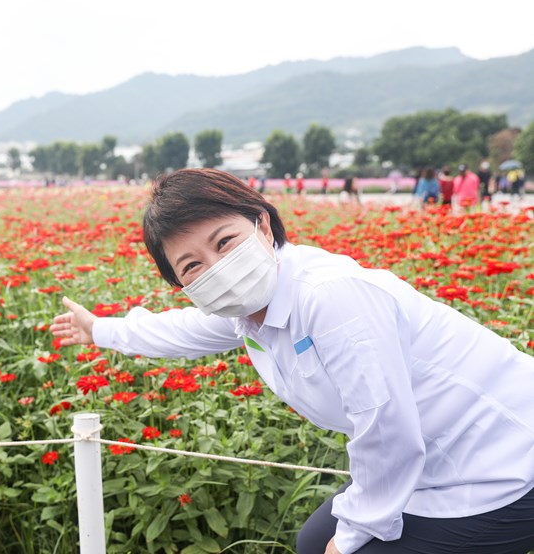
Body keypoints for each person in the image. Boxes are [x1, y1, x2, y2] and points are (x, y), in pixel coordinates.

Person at [50, 168, 534, 554]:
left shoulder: (328, 295)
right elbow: (182, 329)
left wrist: (349, 540)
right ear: (182, 284)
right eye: (192, 265)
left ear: (262, 224)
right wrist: (100, 330)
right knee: (310, 540)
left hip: (503, 462)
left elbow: (387, 432)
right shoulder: (248, 311)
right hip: (431, 461)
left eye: (224, 242)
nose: (216, 269)